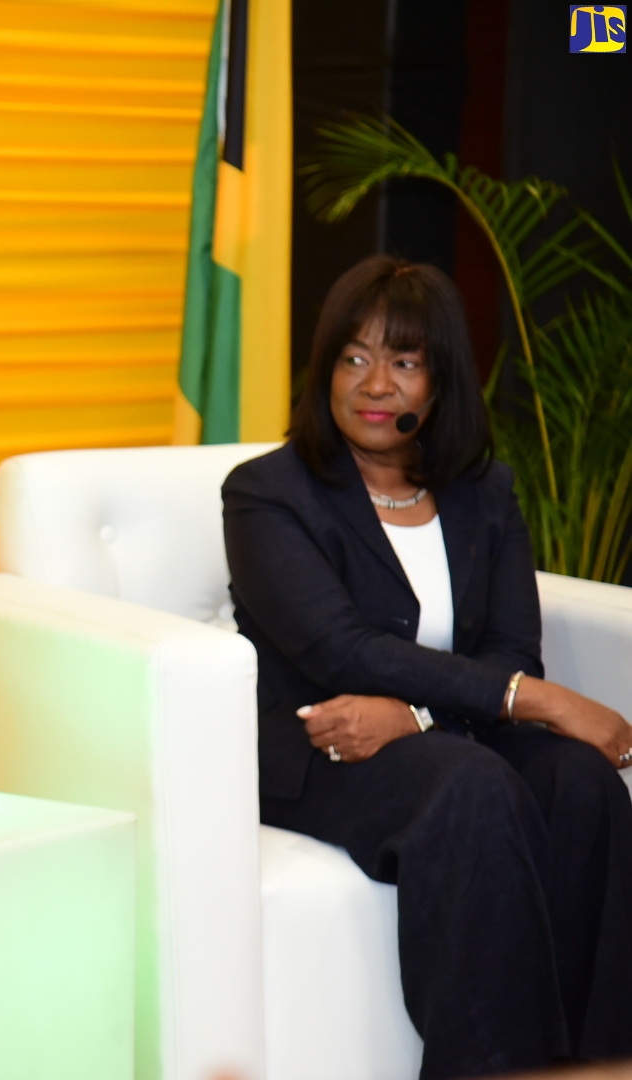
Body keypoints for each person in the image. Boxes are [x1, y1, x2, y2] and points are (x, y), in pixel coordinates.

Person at [222, 255, 632, 1078]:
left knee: (582, 784)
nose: (376, 384)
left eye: (404, 362)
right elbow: (339, 650)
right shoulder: (269, 495)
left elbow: (513, 648)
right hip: (322, 749)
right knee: (470, 787)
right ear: (325, 369)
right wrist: (534, 702)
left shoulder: (484, 492)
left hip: (433, 732)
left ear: (439, 384)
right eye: (354, 356)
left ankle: (602, 1061)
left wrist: (421, 716)